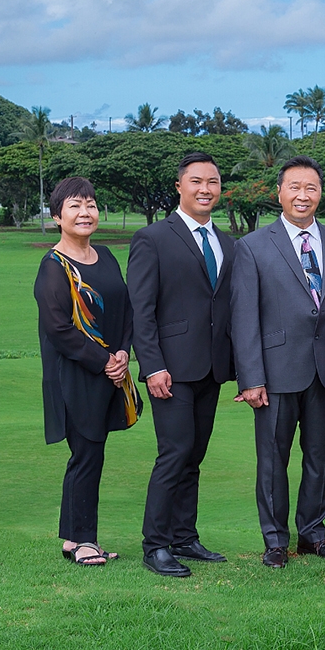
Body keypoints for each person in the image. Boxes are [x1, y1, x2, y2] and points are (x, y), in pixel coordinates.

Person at [231, 155, 325, 570]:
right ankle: (274, 540)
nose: (303, 196)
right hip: (274, 371)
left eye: (311, 188)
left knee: (318, 456)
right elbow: (244, 317)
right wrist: (250, 378)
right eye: (295, 188)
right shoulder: (252, 246)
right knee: (273, 460)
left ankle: (313, 534)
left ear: (321, 193)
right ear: (280, 193)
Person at [128, 152, 235, 578]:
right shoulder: (152, 238)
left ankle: (184, 537)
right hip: (169, 370)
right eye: (196, 181)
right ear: (180, 186)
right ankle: (155, 545)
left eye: (212, 181)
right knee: (173, 455)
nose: (205, 188)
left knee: (193, 456)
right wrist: (152, 366)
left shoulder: (227, 243)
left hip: (211, 368)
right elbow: (142, 309)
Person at [35, 177, 141, 566]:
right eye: (75, 205)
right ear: (57, 216)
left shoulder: (107, 257)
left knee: (88, 455)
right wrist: (104, 362)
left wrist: (123, 355)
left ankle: (72, 538)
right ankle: (84, 543)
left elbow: (127, 311)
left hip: (110, 371)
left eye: (91, 204)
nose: (85, 212)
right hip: (75, 377)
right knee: (86, 455)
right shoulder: (53, 267)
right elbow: (59, 329)